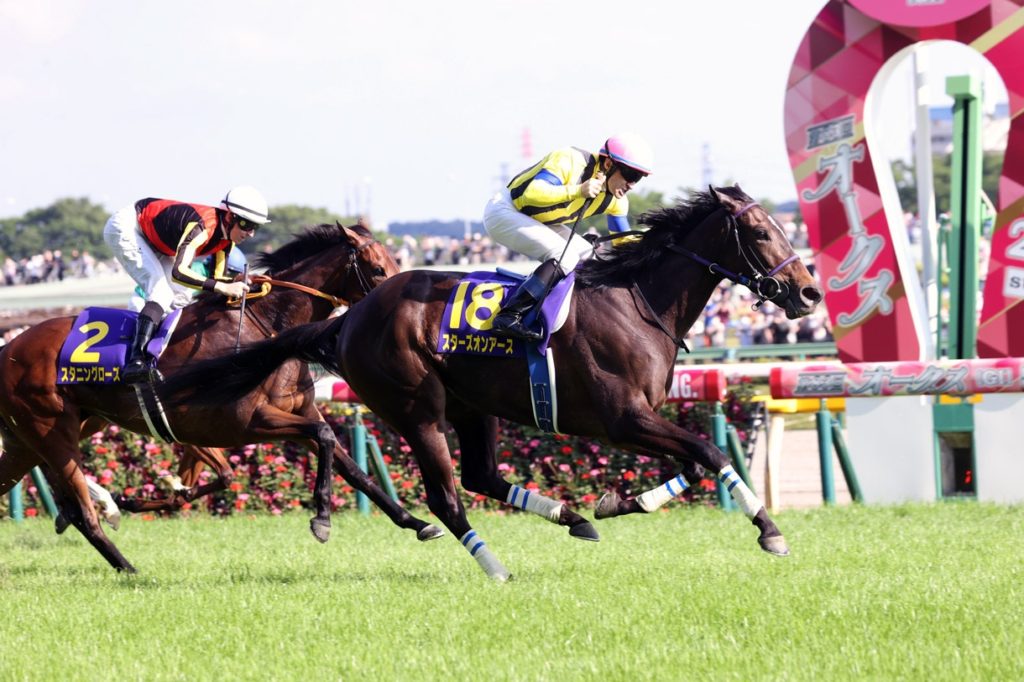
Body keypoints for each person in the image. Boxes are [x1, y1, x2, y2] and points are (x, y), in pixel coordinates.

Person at [483, 133, 653, 341]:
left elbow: (624, 244)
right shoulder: (570, 159)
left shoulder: (618, 202)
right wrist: (578, 191)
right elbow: (531, 194)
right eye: (631, 175)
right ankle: (509, 315)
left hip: (540, 220)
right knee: (565, 257)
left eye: (638, 178)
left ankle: (571, 322)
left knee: (588, 255)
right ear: (609, 164)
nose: (632, 184)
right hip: (505, 211)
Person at [102, 186, 269, 383]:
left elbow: (217, 279)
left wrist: (236, 281)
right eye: (246, 224)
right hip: (129, 227)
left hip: (154, 240)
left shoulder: (226, 242)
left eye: (255, 227)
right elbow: (179, 272)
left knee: (181, 297)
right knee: (161, 293)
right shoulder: (202, 228)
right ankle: (136, 362)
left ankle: (164, 357)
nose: (250, 233)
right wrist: (224, 287)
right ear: (229, 216)